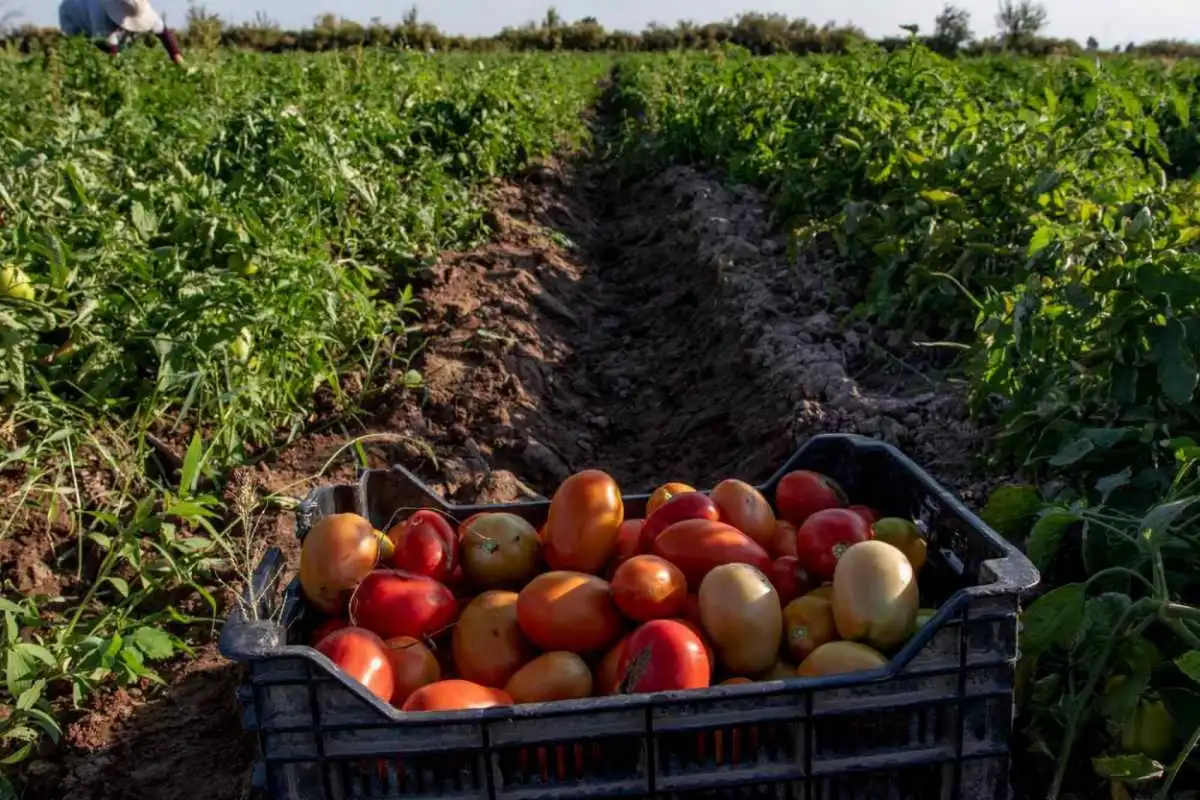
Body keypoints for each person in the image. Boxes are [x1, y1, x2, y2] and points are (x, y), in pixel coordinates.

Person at [58, 0, 184, 64]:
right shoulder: (101, 16)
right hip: (72, 15)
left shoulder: (138, 6)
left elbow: (164, 34)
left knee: (125, 44)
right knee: (80, 53)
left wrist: (180, 62)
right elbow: (111, 51)